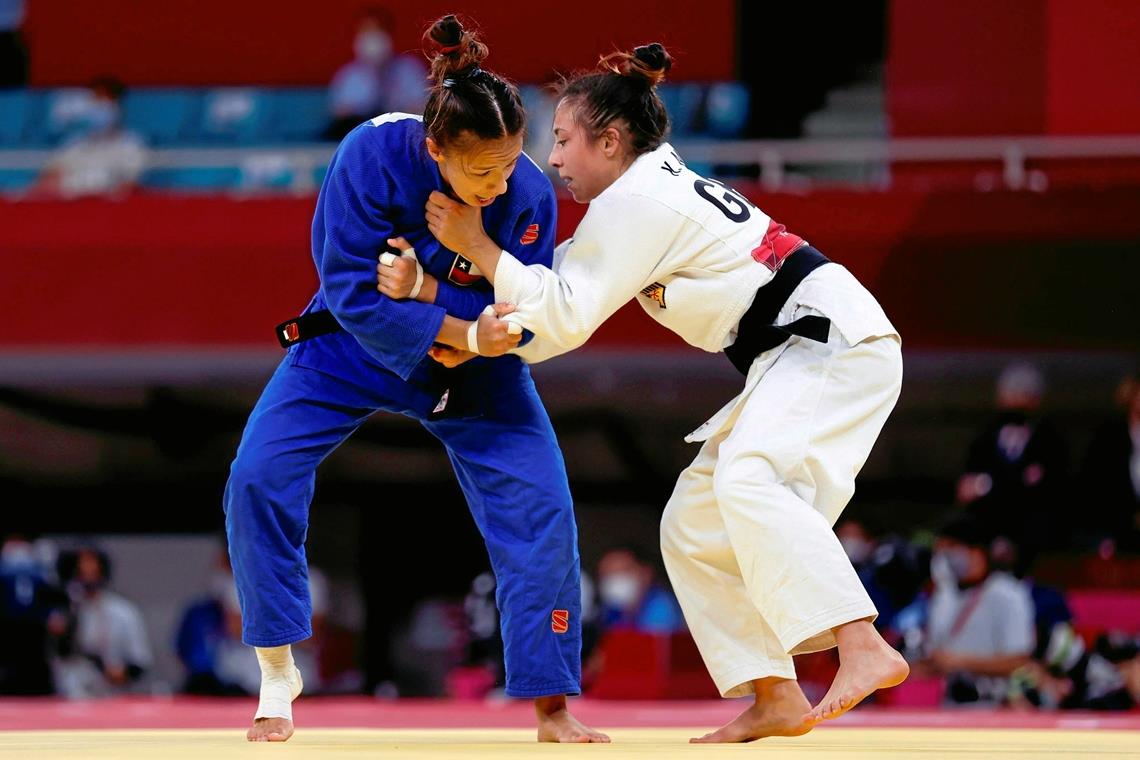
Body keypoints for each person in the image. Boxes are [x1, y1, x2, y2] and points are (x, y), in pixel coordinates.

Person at [383, 42, 908, 742]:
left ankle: (861, 642)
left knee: (751, 479)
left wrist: (480, 249)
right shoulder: (633, 204)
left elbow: (561, 315)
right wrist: (447, 303)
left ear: (611, 139)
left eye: (565, 140)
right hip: (796, 354)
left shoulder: (640, 200)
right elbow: (553, 300)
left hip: (829, 342)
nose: (556, 159)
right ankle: (774, 691)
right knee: (692, 526)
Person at [224, 14, 606, 744]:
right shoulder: (369, 154)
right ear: (435, 149)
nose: (498, 184)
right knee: (256, 476)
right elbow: (350, 291)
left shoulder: (525, 195)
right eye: (479, 171)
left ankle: (552, 702)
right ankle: (276, 668)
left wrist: (442, 287)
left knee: (543, 512)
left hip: (479, 376)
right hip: (349, 348)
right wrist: (460, 328)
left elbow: (515, 313)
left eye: (508, 164)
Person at [918, 515, 1035, 704]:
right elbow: (936, 657)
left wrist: (959, 662)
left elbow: (1019, 661)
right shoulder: (943, 596)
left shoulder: (1008, 593)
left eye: (952, 548)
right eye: (941, 550)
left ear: (977, 551)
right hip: (950, 703)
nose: (945, 557)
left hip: (996, 704)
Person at [52, 547, 153, 699]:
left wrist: (122, 672)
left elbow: (140, 660)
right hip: (70, 696)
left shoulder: (122, 611)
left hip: (111, 695)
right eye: (80, 572)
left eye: (93, 571)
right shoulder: (63, 611)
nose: (87, 578)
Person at [33, 77, 147, 198]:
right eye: (94, 100)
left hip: (108, 206)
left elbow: (130, 185)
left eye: (103, 99)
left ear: (117, 105)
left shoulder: (132, 143)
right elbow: (48, 178)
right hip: (69, 205)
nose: (97, 105)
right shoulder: (75, 142)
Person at [325, 7, 428, 140]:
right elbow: (340, 116)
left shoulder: (410, 70)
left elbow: (423, 110)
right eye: (366, 31)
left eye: (378, 31)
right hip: (361, 140)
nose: (372, 38)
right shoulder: (348, 76)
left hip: (401, 138)